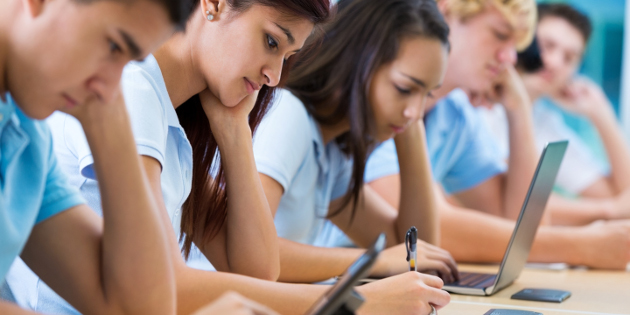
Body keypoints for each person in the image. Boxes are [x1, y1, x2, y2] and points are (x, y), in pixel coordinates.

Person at [8, 1, 454, 315]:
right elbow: (164, 293)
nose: (275, 76)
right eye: (270, 42)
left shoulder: (161, 118)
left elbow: (252, 269)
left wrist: (234, 130)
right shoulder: (134, 86)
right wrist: (354, 299)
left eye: (287, 55)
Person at [357, 0, 630, 270]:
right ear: (445, 13)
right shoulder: (388, 97)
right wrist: (581, 246)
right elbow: (427, 231)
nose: (510, 59)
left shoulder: (457, 116)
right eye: (500, 35)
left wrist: (518, 110)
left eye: (516, 46)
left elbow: (525, 224)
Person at [0, 0, 210, 313]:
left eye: (129, 63)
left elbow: (139, 308)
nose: (112, 88)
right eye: (113, 46)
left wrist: (108, 120)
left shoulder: (27, 140)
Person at [254, 0, 457, 306]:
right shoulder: (288, 115)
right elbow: (249, 252)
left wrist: (411, 133)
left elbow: (414, 254)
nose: (414, 110)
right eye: (404, 88)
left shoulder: (330, 149)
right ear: (355, 60)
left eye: (426, 93)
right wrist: (368, 261)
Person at [479, 3, 630, 226]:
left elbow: (622, 198)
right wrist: (608, 211)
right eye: (547, 45)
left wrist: (602, 114)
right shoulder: (476, 105)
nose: (555, 62)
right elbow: (504, 200)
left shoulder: (546, 125)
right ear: (522, 40)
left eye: (569, 58)